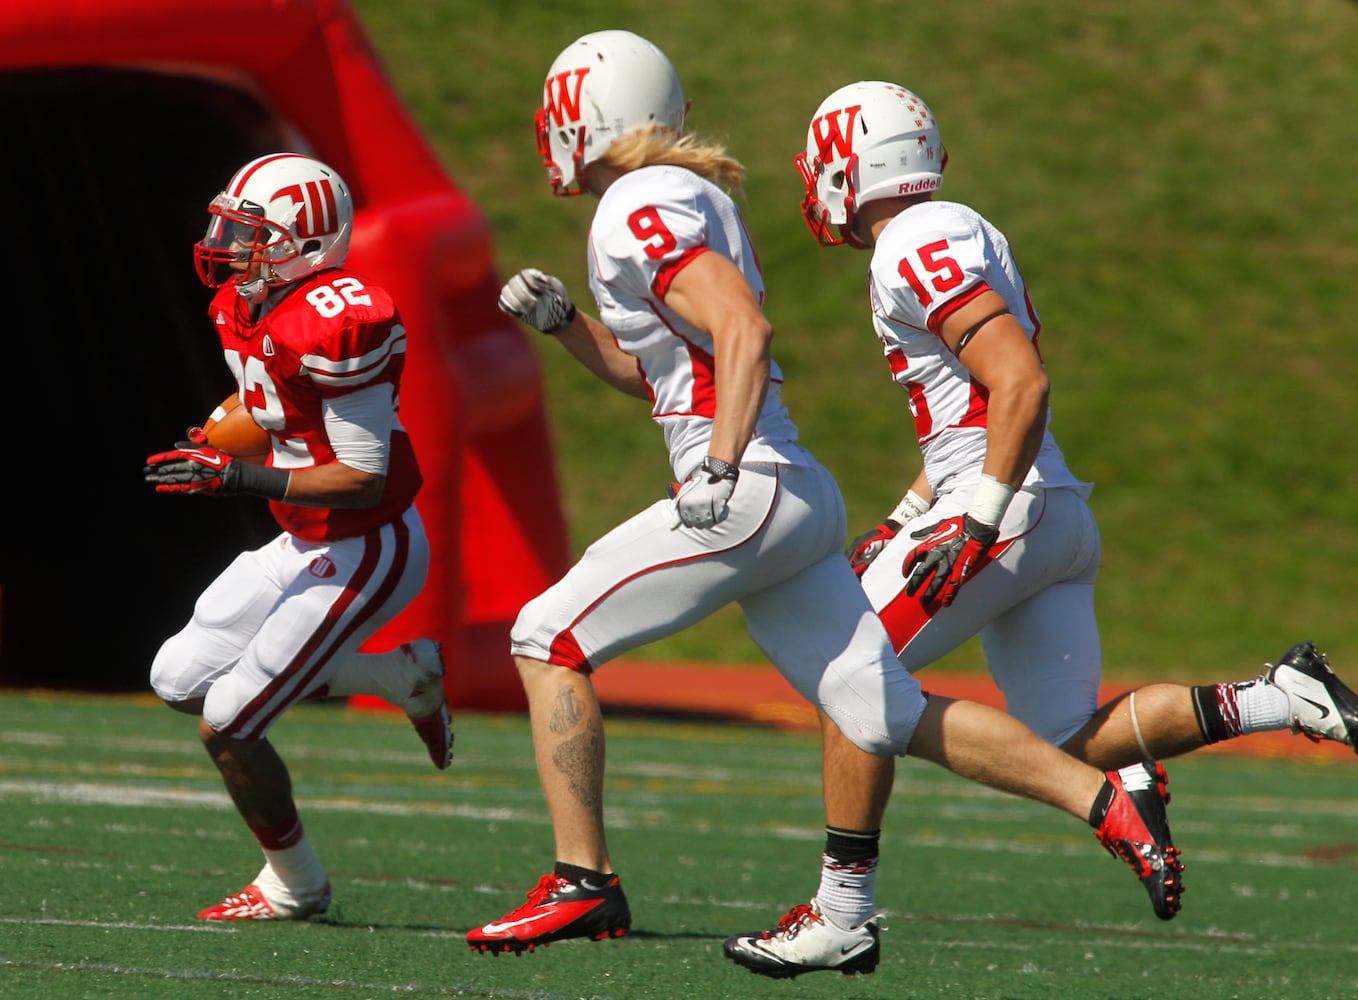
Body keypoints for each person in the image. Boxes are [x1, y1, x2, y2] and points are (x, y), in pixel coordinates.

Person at [465, 31, 1184, 976]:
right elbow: (674, 380)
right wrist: (567, 328)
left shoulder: (637, 203)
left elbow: (742, 330)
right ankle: (1104, 802)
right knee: (876, 708)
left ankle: (581, 880)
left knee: (545, 636)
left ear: (591, 117)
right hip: (792, 487)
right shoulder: (682, 199)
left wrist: (718, 467)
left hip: (748, 486)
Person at [791, 80, 1358, 771]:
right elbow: (975, 405)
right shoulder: (947, 230)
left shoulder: (914, 239)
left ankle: (844, 884)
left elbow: (1021, 383)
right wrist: (906, 512)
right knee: (1063, 741)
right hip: (1047, 504)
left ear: (856, 164)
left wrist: (976, 522)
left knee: (845, 671)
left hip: (1002, 504)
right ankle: (1278, 700)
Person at [143, 152, 454, 922]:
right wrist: (222, 438)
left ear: (303, 243)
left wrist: (236, 478)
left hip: (368, 543)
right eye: (229, 224)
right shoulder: (242, 306)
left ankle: (295, 885)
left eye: (250, 232)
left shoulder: (341, 320)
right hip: (305, 539)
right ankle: (395, 679)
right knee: (179, 679)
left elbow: (364, 479)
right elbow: (277, 402)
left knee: (232, 720)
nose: (228, 243)